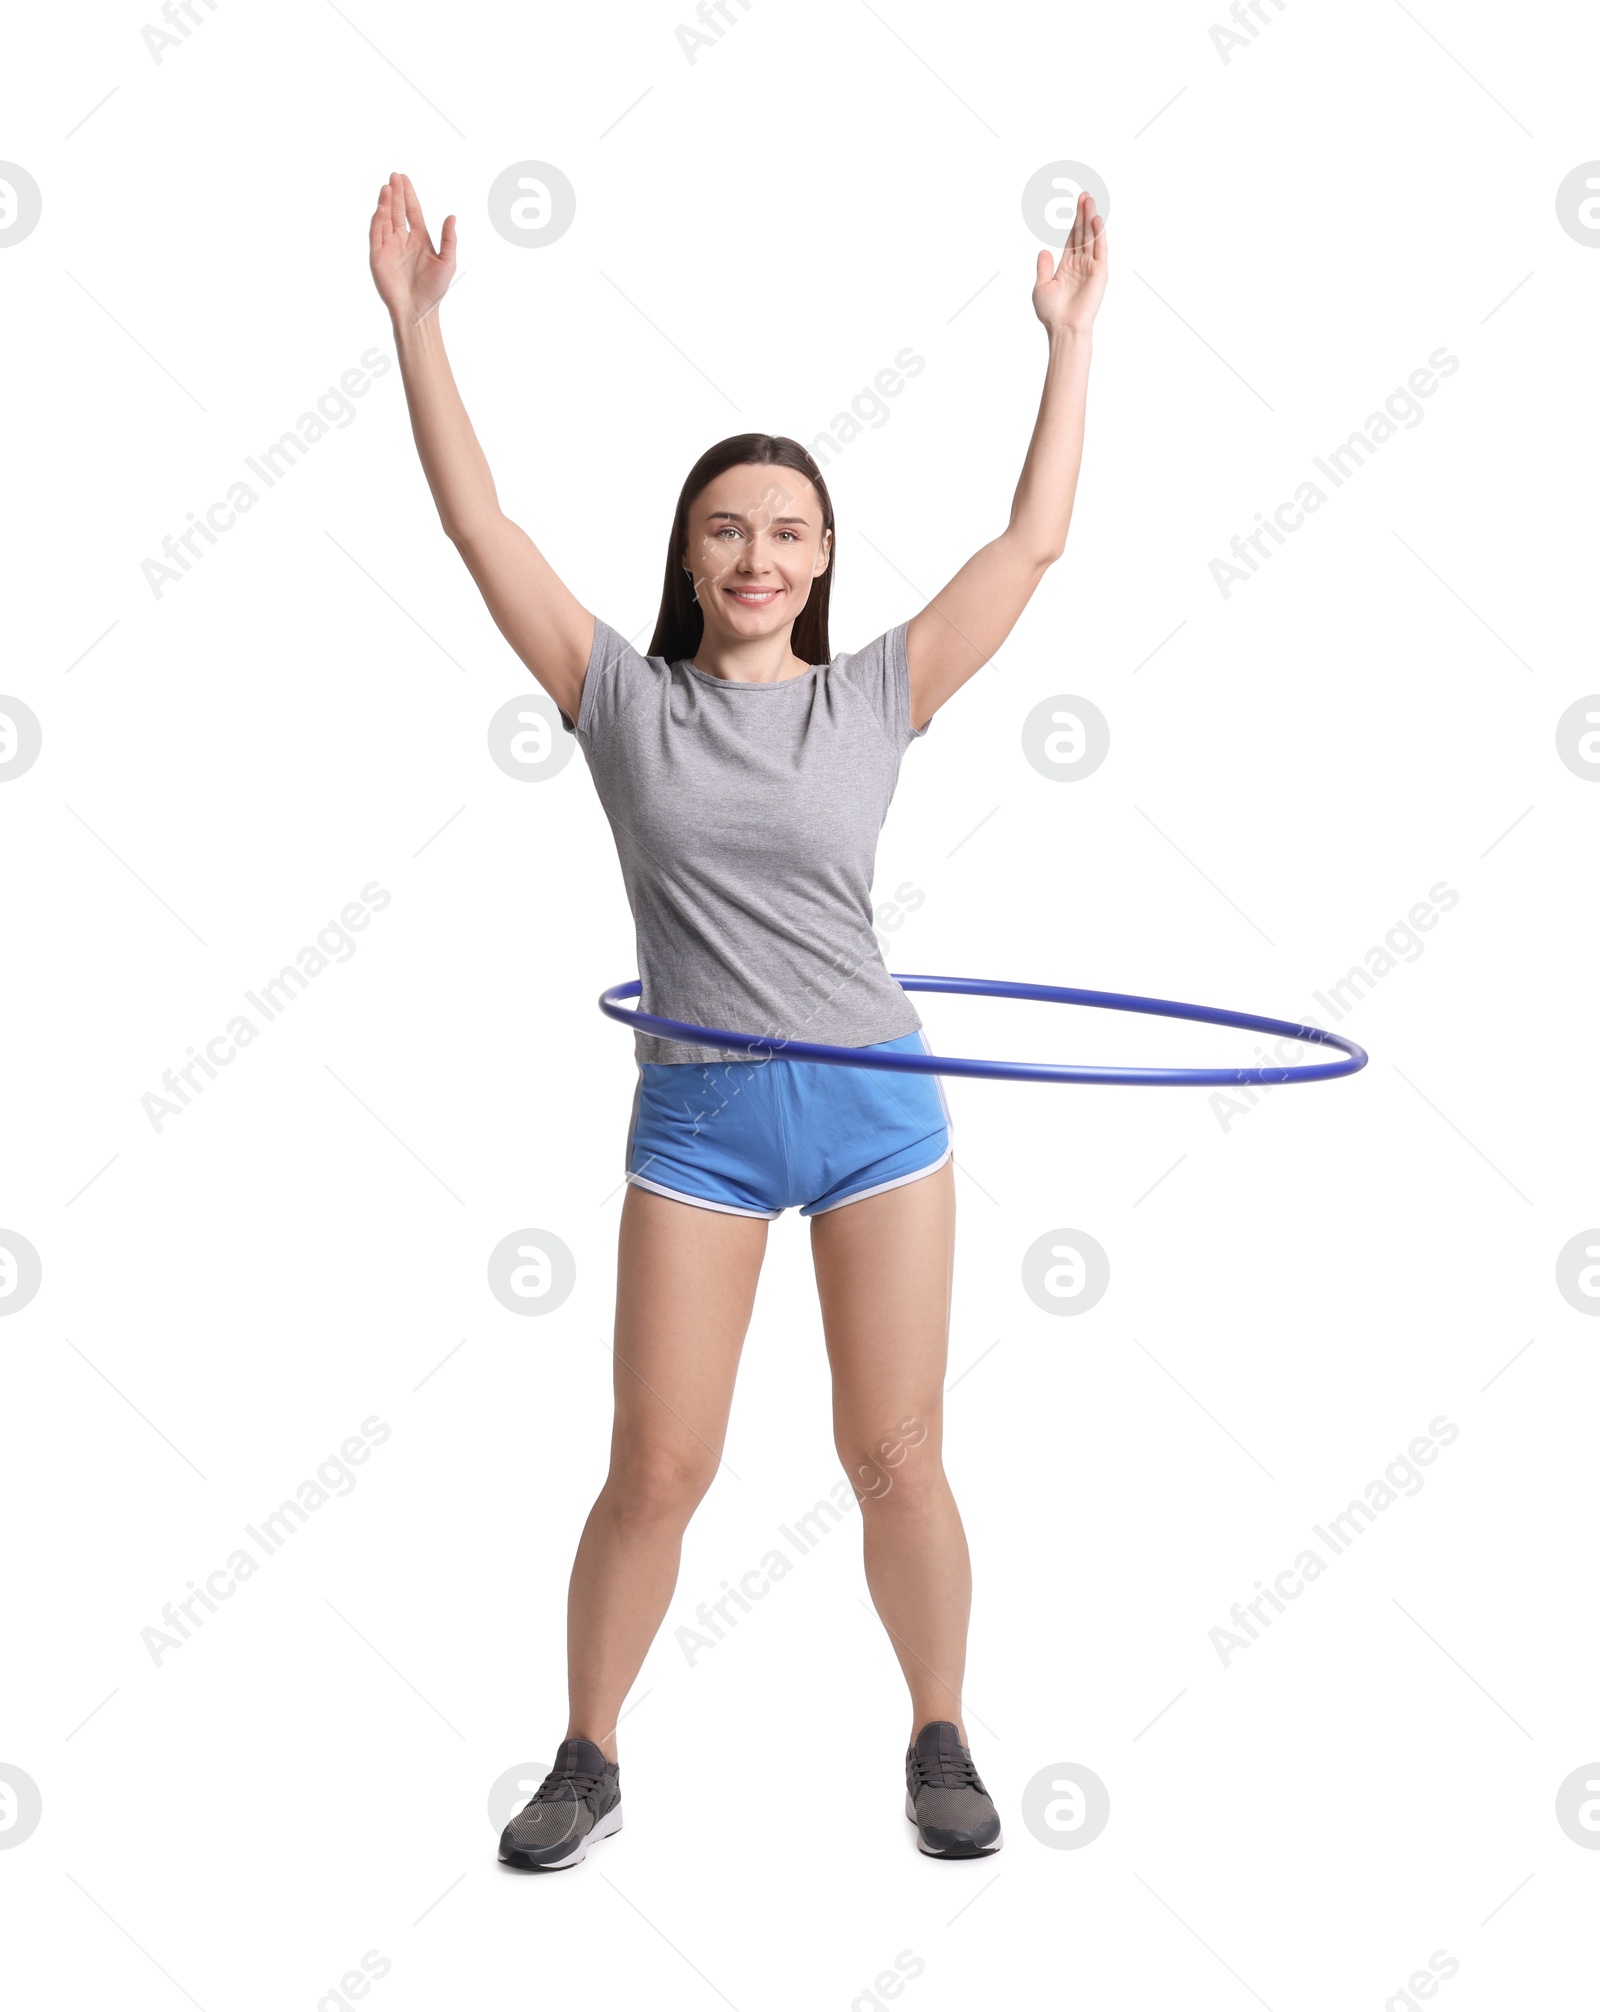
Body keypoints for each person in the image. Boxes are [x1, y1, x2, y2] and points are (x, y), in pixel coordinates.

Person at [368, 169, 1108, 1868]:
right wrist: (416, 326)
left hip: (874, 1110)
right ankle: (587, 1755)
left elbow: (1035, 544)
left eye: (788, 530)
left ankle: (940, 1736)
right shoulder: (617, 701)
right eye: (727, 528)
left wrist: (1067, 340)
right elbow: (482, 529)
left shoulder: (877, 699)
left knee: (897, 1452)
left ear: (824, 555)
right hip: (697, 1117)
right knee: (658, 1466)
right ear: (689, 555)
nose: (758, 554)